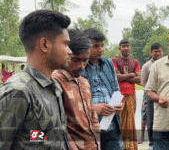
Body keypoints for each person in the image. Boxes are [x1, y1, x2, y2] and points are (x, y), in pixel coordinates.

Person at [0, 10, 72, 149]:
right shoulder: (18, 90)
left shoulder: (54, 86)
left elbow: (35, 135)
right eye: (65, 44)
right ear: (44, 44)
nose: (69, 51)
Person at [52, 29, 101, 150]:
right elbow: (55, 127)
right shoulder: (55, 82)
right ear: (66, 53)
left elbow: (92, 116)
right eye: (75, 60)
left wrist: (98, 142)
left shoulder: (84, 82)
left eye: (85, 60)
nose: (81, 66)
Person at [81, 28, 124, 150]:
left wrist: (118, 103)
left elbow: (115, 88)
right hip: (90, 126)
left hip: (111, 124)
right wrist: (94, 108)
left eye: (102, 45)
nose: (101, 49)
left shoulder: (108, 63)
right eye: (95, 46)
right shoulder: (79, 65)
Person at [112, 39, 141, 150]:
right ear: (120, 48)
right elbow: (116, 77)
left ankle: (128, 147)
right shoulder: (114, 60)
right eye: (123, 46)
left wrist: (125, 76)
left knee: (129, 122)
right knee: (115, 122)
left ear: (130, 48)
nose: (126, 48)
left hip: (130, 95)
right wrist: (132, 74)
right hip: (117, 95)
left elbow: (139, 79)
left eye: (127, 46)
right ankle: (117, 146)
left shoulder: (135, 62)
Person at [139, 43, 163, 148]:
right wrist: (151, 92)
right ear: (151, 52)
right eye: (155, 51)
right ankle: (151, 142)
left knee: (163, 118)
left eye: (159, 51)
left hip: (164, 95)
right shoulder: (146, 66)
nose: (158, 53)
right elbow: (143, 81)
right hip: (150, 95)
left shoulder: (166, 63)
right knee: (149, 119)